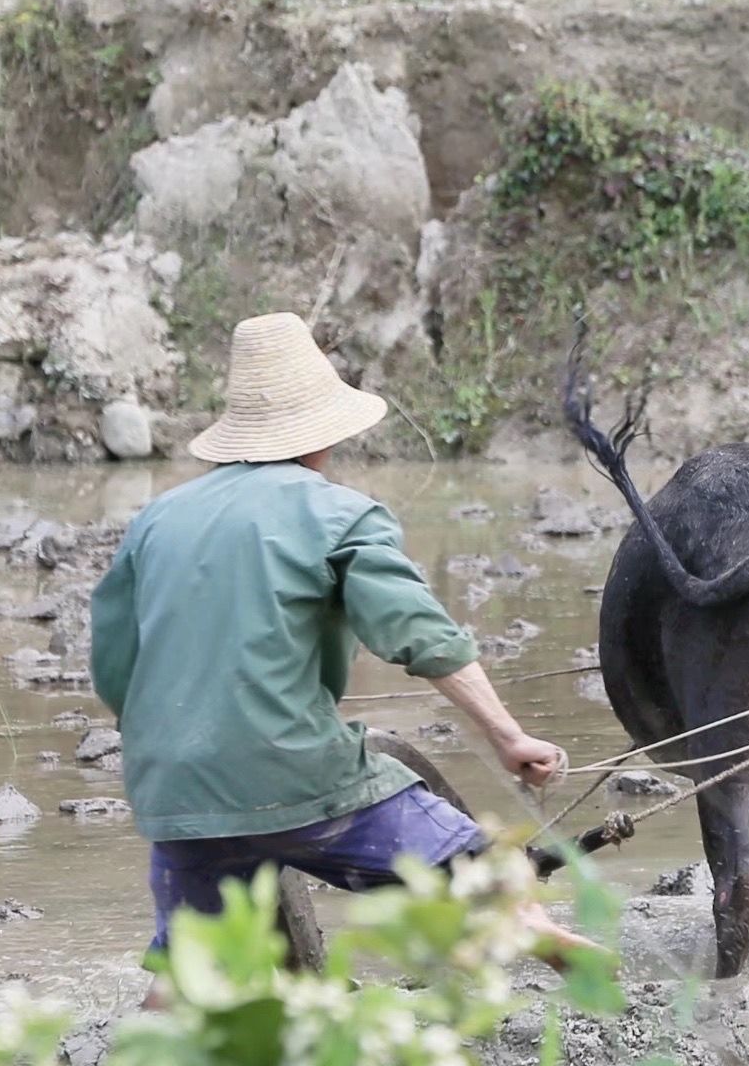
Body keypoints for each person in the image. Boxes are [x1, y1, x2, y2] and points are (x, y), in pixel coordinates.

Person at [89, 312, 597, 1001]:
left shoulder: (155, 520)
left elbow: (114, 668)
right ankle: (530, 927)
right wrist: (509, 737)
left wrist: (180, 748)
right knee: (477, 867)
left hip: (177, 791)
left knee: (188, 968)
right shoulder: (338, 513)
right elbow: (419, 633)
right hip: (296, 773)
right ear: (326, 434)